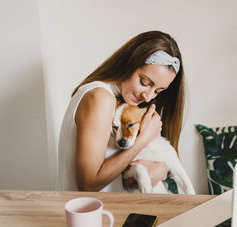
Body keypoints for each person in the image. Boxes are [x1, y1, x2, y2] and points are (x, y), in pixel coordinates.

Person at [58, 30, 185, 192]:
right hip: (89, 214)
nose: (148, 97)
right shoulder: (101, 97)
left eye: (158, 91)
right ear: (129, 63)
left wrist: (162, 168)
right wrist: (143, 139)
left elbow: (118, 165)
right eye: (144, 82)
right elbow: (88, 184)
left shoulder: (122, 102)